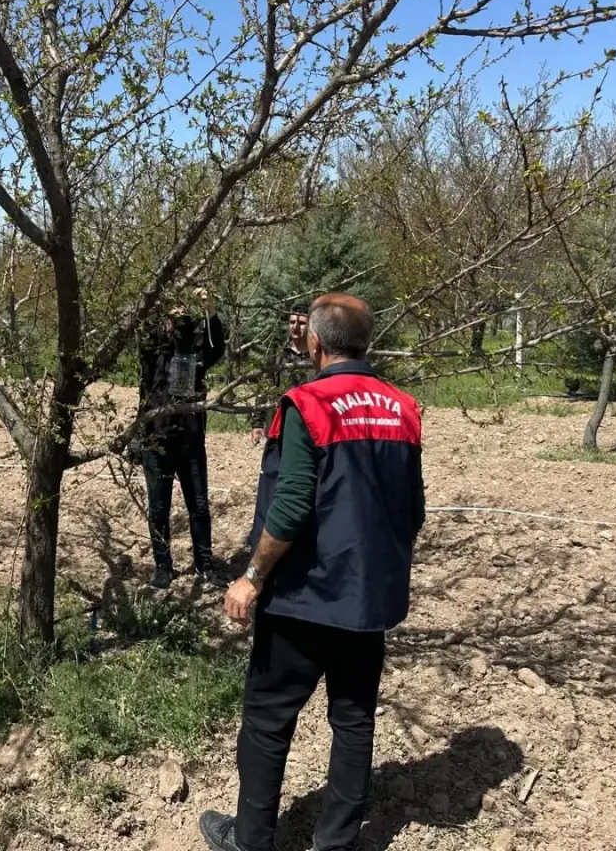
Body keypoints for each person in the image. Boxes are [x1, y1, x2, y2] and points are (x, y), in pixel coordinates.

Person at [200, 293, 425, 851]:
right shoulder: (403, 408)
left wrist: (252, 577)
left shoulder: (308, 405)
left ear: (315, 342)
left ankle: (251, 839)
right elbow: (413, 510)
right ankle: (337, 843)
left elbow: (292, 504)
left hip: (304, 597)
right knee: (354, 720)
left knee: (268, 717)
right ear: (367, 341)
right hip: (367, 601)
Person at [136, 287, 227, 589]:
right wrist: (159, 304)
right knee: (158, 509)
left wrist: (209, 310)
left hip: (190, 440)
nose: (177, 315)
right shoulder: (152, 348)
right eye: (170, 309)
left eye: (181, 308)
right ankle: (163, 567)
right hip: (157, 439)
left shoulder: (195, 345)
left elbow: (217, 346)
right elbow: (140, 327)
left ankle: (205, 565)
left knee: (199, 506)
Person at [247, 305, 312, 550]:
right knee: (270, 484)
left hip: (308, 433)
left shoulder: (317, 356)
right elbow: (264, 389)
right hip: (278, 431)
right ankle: (260, 539)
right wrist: (257, 423)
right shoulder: (277, 356)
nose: (295, 327)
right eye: (292, 322)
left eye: (301, 323)